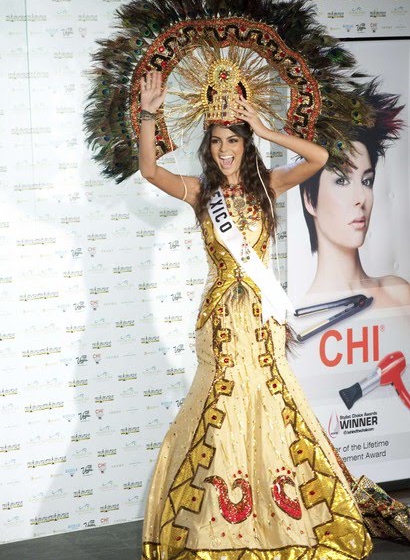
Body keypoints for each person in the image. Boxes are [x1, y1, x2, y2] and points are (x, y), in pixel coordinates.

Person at [138, 70, 376, 560]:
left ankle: (278, 515)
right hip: (221, 322)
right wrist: (148, 114)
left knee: (270, 404)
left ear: (246, 144)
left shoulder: (270, 184)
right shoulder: (200, 191)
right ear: (208, 147)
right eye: (218, 140)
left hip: (263, 320)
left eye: (235, 139)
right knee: (222, 409)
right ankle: (217, 526)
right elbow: (149, 171)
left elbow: (320, 157)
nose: (226, 149)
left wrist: (266, 129)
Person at [299, 104, 410, 309]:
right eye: (342, 181)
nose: (361, 197)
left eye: (366, 181)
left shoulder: (398, 293)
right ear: (309, 199)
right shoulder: (304, 314)